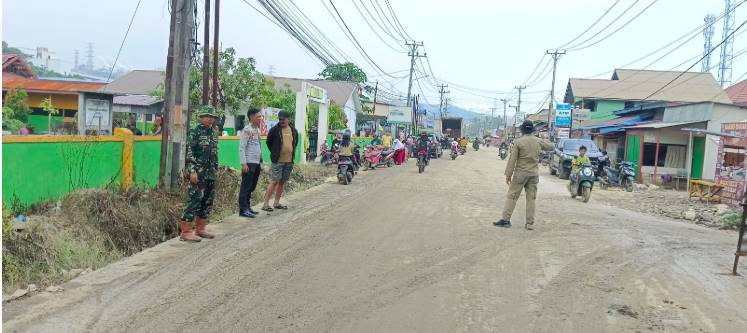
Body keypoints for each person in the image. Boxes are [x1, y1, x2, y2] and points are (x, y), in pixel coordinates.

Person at [494, 120, 554, 231]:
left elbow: (513, 160)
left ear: (522, 130)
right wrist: (544, 138)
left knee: (512, 196)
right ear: (532, 130)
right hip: (534, 174)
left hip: (520, 174)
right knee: (531, 198)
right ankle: (530, 224)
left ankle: (506, 220)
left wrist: (508, 174)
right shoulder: (538, 141)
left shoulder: (519, 142)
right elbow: (551, 147)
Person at [179, 106, 219, 242]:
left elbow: (214, 153)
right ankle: (186, 231)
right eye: (207, 116)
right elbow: (189, 152)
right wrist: (192, 171)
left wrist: (215, 169)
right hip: (198, 173)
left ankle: (200, 229)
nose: (210, 119)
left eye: (212, 117)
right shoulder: (195, 131)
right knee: (193, 201)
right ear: (201, 117)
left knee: (207, 201)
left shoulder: (214, 132)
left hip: (210, 173)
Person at [262, 110, 298, 212]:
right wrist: (275, 152)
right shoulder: (274, 130)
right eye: (280, 119)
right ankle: (265, 204)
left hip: (289, 161)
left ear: (288, 119)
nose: (281, 121)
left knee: (282, 182)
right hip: (278, 161)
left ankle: (276, 203)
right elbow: (269, 142)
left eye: (283, 119)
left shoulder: (293, 130)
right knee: (274, 181)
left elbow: (294, 143)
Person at [238, 107, 263, 218]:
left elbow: (259, 146)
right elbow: (242, 147)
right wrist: (244, 163)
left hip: (256, 162)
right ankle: (243, 210)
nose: (261, 118)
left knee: (252, 186)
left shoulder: (257, 130)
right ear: (252, 117)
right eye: (258, 116)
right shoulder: (247, 130)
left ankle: (248, 207)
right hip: (249, 162)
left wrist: (261, 161)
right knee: (246, 186)